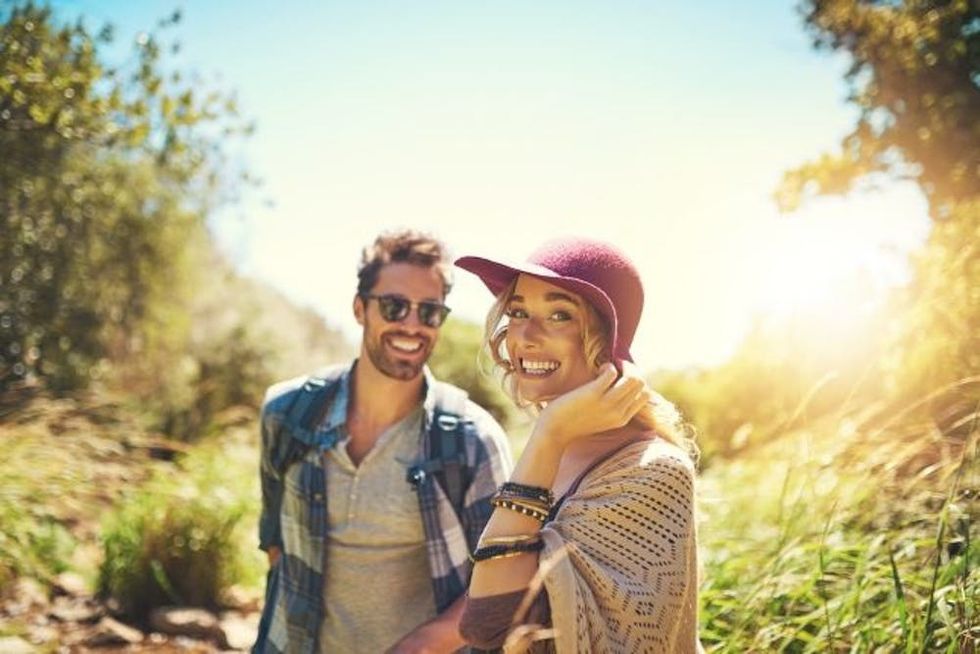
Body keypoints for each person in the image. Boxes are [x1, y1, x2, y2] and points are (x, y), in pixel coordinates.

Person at [253, 229, 513, 654]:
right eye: (394, 306)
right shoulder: (287, 413)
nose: (411, 325)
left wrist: (421, 646)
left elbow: (500, 585)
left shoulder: (473, 441)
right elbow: (277, 545)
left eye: (429, 312)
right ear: (360, 309)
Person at [455, 237, 702, 653]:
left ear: (608, 340)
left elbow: (492, 627)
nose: (526, 336)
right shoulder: (556, 453)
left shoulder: (654, 472)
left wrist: (549, 432)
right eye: (517, 312)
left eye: (559, 314)